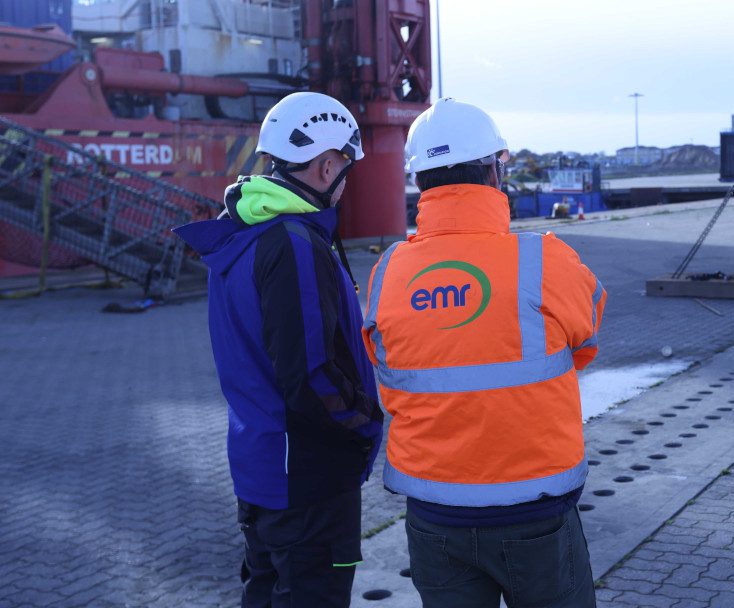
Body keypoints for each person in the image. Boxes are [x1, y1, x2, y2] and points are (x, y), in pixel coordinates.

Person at [362, 98, 606, 608]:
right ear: (497, 169)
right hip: (533, 507)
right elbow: (583, 343)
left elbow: (385, 366)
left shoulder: (389, 272)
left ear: (419, 179)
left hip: (433, 512)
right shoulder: (545, 258)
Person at [174, 91, 384, 608]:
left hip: (264, 467)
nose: (346, 181)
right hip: (310, 479)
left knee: (268, 594)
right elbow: (310, 374)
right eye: (346, 167)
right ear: (327, 163)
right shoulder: (292, 241)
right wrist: (364, 428)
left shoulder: (245, 232)